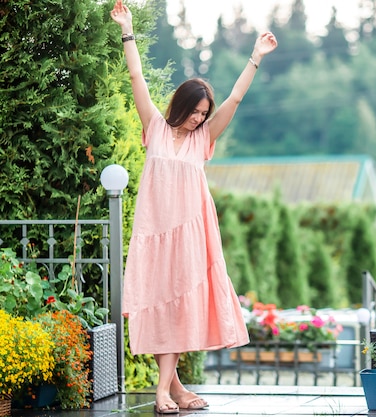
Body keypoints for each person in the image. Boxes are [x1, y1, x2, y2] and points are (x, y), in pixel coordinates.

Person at [110, 1, 278, 414]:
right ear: (180, 106)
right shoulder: (155, 128)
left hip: (190, 232)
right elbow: (137, 76)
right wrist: (127, 30)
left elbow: (235, 100)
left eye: (203, 114)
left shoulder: (204, 139)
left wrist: (255, 58)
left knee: (180, 306)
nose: (198, 119)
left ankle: (164, 391)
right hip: (154, 231)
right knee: (157, 304)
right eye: (194, 112)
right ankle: (177, 389)